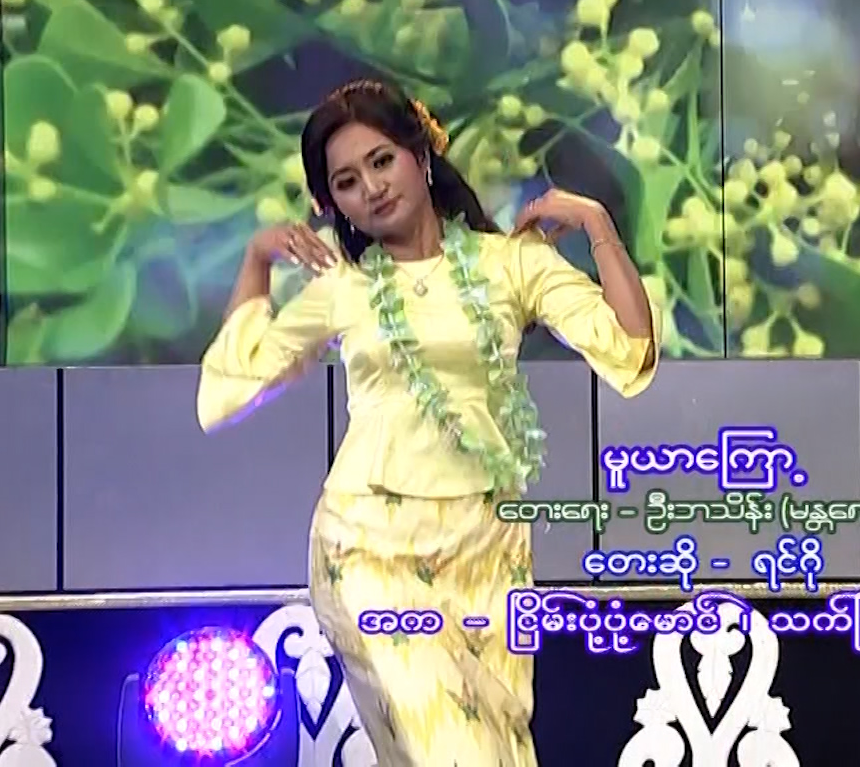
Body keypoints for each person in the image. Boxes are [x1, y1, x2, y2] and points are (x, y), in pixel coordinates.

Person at [196, 78, 658, 766]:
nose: (372, 188)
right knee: (455, 751)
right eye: (347, 182)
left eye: (382, 161)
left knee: (490, 750)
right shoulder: (345, 289)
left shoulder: (511, 264)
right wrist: (257, 260)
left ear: (421, 153)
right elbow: (227, 390)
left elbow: (630, 350)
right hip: (368, 546)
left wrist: (598, 227)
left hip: (487, 549)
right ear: (332, 203)